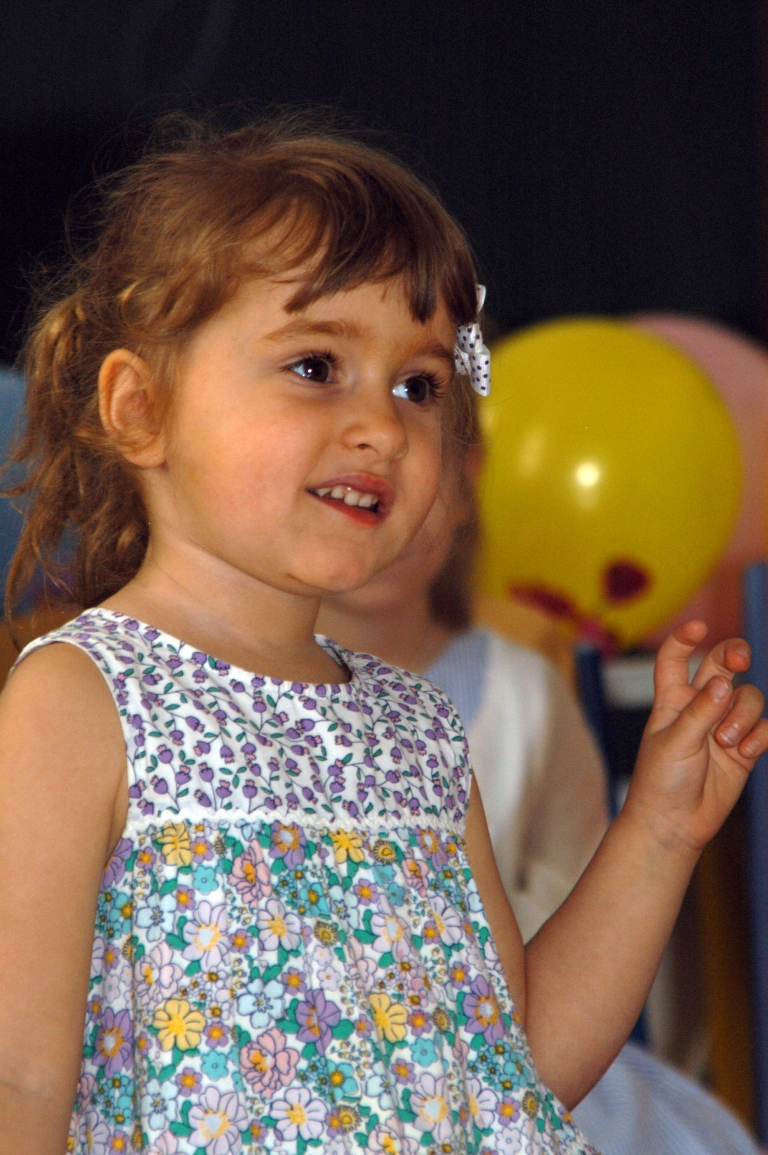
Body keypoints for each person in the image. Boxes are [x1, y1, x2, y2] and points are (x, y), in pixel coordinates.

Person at [0, 119, 765, 1155]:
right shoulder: (82, 698)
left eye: (420, 386)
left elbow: (517, 1061)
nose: (383, 425)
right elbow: (20, 1074)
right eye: (317, 365)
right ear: (142, 410)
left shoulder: (419, 725)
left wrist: (661, 830)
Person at [318, 438, 761, 1155]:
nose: (387, 505)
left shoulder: (520, 693)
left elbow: (580, 918)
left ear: (466, 484)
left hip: (504, 1058)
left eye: (419, 402)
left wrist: (659, 828)